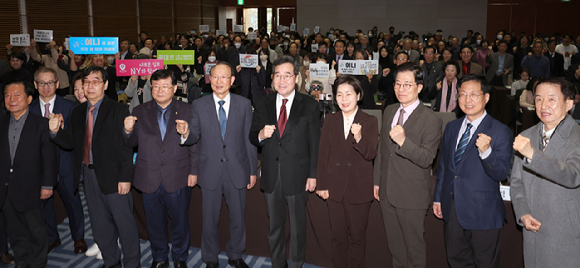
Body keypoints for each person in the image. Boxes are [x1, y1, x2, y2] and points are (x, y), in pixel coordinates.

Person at [49, 66, 141, 268]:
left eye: (95, 81)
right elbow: (71, 141)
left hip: (115, 177)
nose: (90, 86)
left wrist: (125, 177)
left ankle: (133, 264)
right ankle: (112, 261)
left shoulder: (118, 109)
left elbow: (126, 147)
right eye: (86, 82)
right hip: (88, 176)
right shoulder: (79, 110)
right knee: (100, 226)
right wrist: (56, 132)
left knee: (125, 225)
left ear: (105, 85)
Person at [176, 62, 257, 268]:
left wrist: (252, 170)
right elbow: (194, 135)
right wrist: (185, 133)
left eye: (224, 77)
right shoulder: (199, 105)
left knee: (238, 217)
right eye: (215, 77)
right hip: (209, 169)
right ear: (209, 80)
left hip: (237, 169)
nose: (219, 81)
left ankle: (235, 254)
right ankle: (210, 257)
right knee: (209, 219)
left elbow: (249, 139)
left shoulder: (244, 104)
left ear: (232, 80)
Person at [433, 74, 512, 268]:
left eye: (474, 95)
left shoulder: (500, 130)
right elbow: (443, 166)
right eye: (462, 95)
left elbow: (501, 173)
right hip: (452, 210)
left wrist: (487, 152)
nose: (467, 100)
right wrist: (437, 197)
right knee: (457, 261)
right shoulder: (451, 127)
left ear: (486, 97)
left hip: (483, 213)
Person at [249, 55, 320, 268]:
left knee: (298, 228)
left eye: (287, 75)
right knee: (275, 227)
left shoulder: (309, 105)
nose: (282, 80)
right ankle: (278, 264)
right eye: (277, 76)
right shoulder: (262, 103)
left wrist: (313, 175)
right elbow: (252, 136)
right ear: (272, 78)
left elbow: (315, 144)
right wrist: (261, 134)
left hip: (298, 175)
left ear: (296, 78)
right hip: (271, 175)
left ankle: (297, 264)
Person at [123, 69, 197, 268]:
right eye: (156, 86)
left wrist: (193, 171)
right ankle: (160, 257)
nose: (160, 90)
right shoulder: (139, 110)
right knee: (155, 223)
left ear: (174, 88)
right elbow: (131, 144)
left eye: (165, 86)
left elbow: (195, 144)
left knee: (180, 222)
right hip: (149, 177)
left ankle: (180, 257)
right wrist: (127, 131)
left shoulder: (188, 110)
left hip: (178, 175)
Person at [373, 62, 443, 268]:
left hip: (412, 196)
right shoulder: (390, 110)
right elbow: (382, 150)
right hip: (387, 192)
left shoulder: (431, 119)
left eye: (407, 85)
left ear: (419, 88)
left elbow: (427, 158)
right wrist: (377, 181)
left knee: (414, 253)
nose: (400, 89)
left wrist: (404, 142)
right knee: (396, 251)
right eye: (397, 84)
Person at [510, 77, 580, 268]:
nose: (543, 105)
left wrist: (533, 155)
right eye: (538, 99)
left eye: (551, 99)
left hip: (563, 231)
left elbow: (572, 175)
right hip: (532, 228)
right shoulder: (526, 136)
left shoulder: (577, 137)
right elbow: (516, 182)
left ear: (568, 104)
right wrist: (522, 213)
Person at [316, 75, 378, 268]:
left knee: (357, 239)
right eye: (339, 95)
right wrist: (322, 184)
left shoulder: (370, 120)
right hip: (334, 188)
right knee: (338, 238)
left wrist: (359, 137)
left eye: (349, 94)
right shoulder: (330, 120)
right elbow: (323, 154)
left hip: (359, 190)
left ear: (358, 95)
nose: (344, 99)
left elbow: (371, 154)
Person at [28, 67, 86, 254]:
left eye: (50, 82)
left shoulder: (70, 107)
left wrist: (61, 128)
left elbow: (76, 138)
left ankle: (78, 238)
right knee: (45, 206)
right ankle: (52, 238)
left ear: (57, 84)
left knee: (73, 203)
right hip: (41, 167)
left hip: (65, 164)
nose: (46, 87)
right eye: (42, 83)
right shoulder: (29, 110)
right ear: (36, 85)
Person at [0, 80, 58, 268]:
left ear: (29, 98)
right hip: (6, 188)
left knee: (36, 231)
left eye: (17, 95)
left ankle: (38, 264)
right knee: (16, 231)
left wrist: (48, 185)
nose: (12, 99)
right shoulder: (1, 123)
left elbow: (49, 158)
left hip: (33, 187)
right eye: (8, 95)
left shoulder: (41, 124)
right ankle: (22, 262)